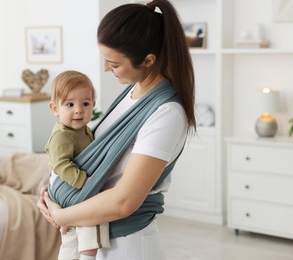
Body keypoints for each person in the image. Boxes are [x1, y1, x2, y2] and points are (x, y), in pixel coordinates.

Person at [38, 0, 196, 259]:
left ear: (148, 60)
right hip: (95, 235)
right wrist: (50, 197)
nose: (104, 68)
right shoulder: (131, 93)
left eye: (113, 63)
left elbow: (125, 200)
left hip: (126, 244)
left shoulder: (166, 113)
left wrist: (60, 214)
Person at [46, 70, 110, 260]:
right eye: (70, 104)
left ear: (93, 105)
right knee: (93, 213)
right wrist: (86, 182)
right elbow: (61, 164)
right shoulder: (62, 135)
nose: (78, 110)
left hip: (68, 187)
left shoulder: (84, 130)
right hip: (69, 185)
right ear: (55, 108)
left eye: (85, 103)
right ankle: (89, 256)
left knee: (70, 236)